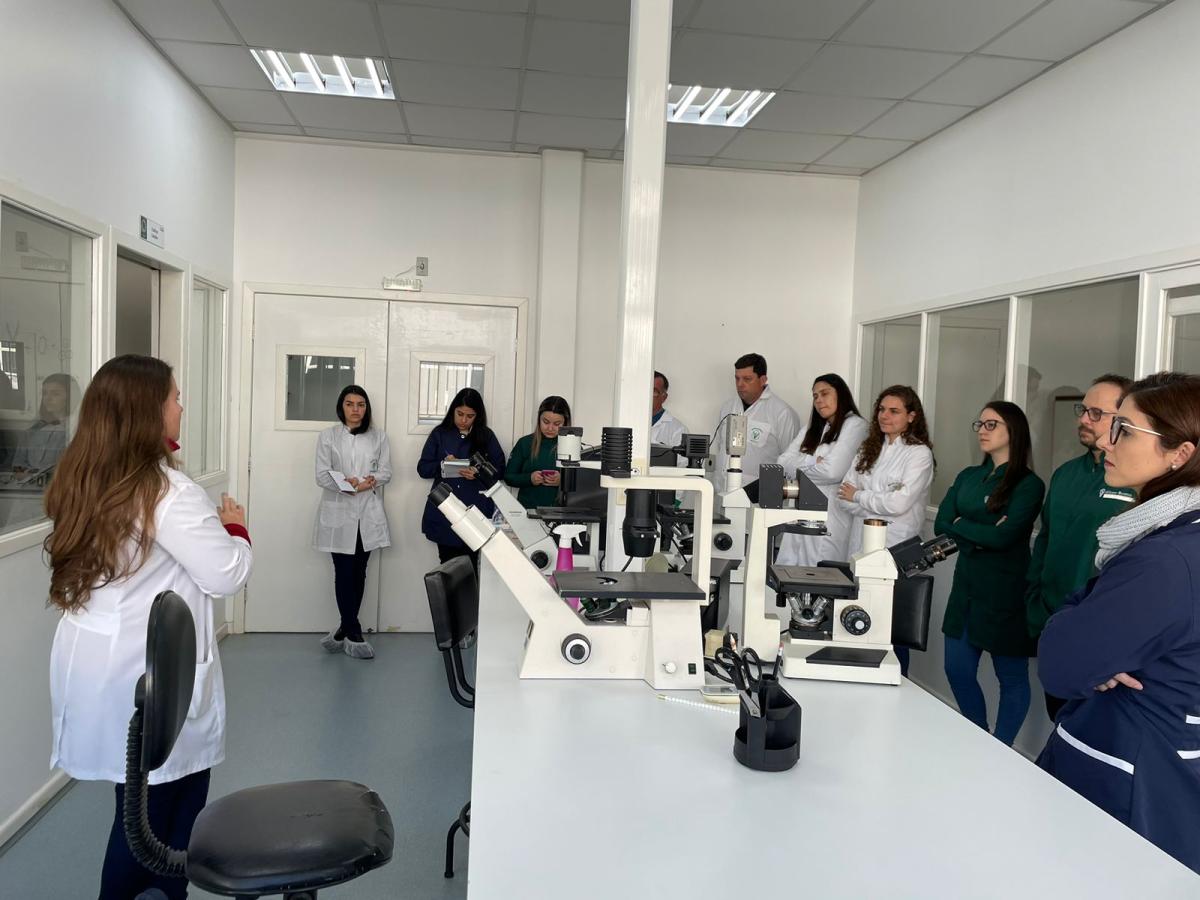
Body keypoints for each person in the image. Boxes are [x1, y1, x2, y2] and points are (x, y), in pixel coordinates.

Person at [45, 355, 253, 900]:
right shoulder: (166, 492)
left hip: (100, 665)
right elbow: (226, 574)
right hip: (146, 675)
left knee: (138, 807)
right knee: (156, 827)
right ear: (147, 411)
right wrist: (235, 528)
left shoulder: (84, 476)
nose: (181, 406)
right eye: (174, 397)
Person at [1036, 372, 1200, 874]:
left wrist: (1077, 626)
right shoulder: (1170, 536)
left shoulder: (1166, 558)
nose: (1107, 442)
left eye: (1124, 430)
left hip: (1127, 776)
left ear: (1179, 453)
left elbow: (1062, 664)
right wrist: (1094, 636)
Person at [1025, 374, 1136, 721]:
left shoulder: (1136, 482)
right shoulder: (1065, 474)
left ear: (1124, 421)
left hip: (1103, 635)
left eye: (1096, 413)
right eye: (1083, 410)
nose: (1084, 419)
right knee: (1057, 720)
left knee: (1089, 735)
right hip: (1055, 623)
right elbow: (1046, 541)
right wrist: (1035, 602)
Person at [935, 402, 1045, 746]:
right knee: (957, 669)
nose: (982, 430)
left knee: (1010, 677)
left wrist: (963, 525)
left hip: (1006, 592)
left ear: (1013, 430)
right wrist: (981, 532)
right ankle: (980, 739)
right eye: (980, 424)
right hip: (966, 588)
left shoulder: (1028, 484)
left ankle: (1003, 747)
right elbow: (941, 523)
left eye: (991, 424)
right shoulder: (968, 476)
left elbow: (1004, 537)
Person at [828, 386, 935, 676]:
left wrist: (860, 496)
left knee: (891, 631)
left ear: (911, 416)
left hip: (896, 552)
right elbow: (843, 497)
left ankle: (898, 683)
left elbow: (899, 503)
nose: (884, 416)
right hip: (859, 548)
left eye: (894, 411)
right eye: (881, 409)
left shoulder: (919, 454)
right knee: (855, 623)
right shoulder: (868, 449)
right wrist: (875, 503)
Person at [313, 385, 392, 660]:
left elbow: (386, 472)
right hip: (339, 511)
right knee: (344, 571)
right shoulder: (328, 437)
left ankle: (343, 630)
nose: (355, 409)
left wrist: (371, 481)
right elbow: (321, 474)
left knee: (359, 571)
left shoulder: (379, 437)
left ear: (366, 408)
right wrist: (345, 484)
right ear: (342, 407)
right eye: (350, 404)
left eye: (361, 404)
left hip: (367, 511)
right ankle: (354, 631)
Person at [776, 374, 869, 567]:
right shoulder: (813, 428)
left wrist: (800, 464)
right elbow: (782, 462)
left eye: (824, 393)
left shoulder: (855, 425)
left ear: (841, 395)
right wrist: (812, 460)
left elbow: (832, 471)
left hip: (830, 516)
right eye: (815, 396)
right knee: (788, 572)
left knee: (820, 574)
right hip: (800, 513)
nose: (818, 400)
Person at [417, 387, 506, 570]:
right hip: (446, 511)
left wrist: (478, 473)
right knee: (449, 570)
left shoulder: (486, 436)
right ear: (453, 411)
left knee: (473, 570)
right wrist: (443, 465)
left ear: (478, 416)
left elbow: (500, 470)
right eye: (460, 414)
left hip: (476, 513)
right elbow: (423, 468)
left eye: (470, 416)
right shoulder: (440, 433)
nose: (464, 420)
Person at [712, 353, 801, 493]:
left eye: (747, 379)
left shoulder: (782, 413)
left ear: (763, 380)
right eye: (737, 378)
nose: (740, 384)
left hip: (757, 497)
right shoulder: (727, 408)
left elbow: (790, 461)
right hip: (721, 491)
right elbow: (720, 446)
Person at [505, 396, 570, 509]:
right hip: (527, 510)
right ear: (539, 419)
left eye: (557, 424)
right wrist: (529, 479)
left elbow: (584, 484)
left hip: (560, 512)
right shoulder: (525, 443)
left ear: (565, 423)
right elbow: (508, 477)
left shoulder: (573, 447)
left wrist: (563, 481)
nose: (550, 428)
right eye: (546, 422)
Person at [12, 372, 79, 476]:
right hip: (30, 484)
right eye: (44, 393)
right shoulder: (33, 430)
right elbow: (18, 464)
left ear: (70, 397)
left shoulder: (77, 430)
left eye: (55, 394)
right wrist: (23, 474)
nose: (48, 398)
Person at [650, 371, 687, 448]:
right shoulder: (630, 420)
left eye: (654, 391)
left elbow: (682, 457)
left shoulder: (678, 430)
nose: (648, 395)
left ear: (664, 397)